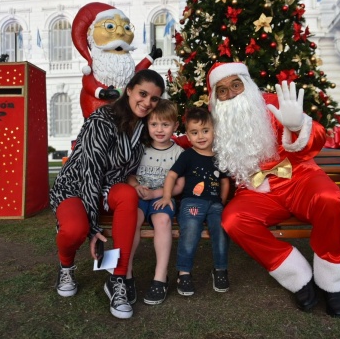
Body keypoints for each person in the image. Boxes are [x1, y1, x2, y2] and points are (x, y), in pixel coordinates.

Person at [207, 62, 340, 318]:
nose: (231, 94)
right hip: (256, 189)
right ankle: (299, 277)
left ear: (247, 84)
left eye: (236, 85)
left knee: (329, 199)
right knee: (233, 221)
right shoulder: (216, 119)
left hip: (299, 177)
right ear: (215, 96)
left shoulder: (272, 103)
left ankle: (333, 283)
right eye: (222, 90)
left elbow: (315, 139)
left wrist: (297, 126)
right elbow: (190, 139)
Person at [49, 69, 165, 319]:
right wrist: (93, 228)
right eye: (143, 94)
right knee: (75, 230)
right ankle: (66, 266)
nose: (147, 103)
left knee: (127, 195)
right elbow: (90, 173)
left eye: (154, 99)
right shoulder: (102, 119)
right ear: (130, 89)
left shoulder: (144, 126)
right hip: (77, 185)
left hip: (108, 187)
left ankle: (117, 279)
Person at [154, 107, 231, 296]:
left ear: (214, 131)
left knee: (221, 229)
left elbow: (224, 181)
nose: (201, 136)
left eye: (205, 131)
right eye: (195, 133)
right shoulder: (188, 155)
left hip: (214, 204)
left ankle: (220, 269)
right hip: (192, 202)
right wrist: (166, 195)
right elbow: (172, 175)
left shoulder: (219, 157)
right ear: (188, 136)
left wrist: (221, 201)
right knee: (190, 230)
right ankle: (184, 273)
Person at [126, 99, 185, 305]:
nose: (159, 130)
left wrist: (158, 193)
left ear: (175, 127)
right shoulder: (140, 149)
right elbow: (130, 174)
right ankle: (126, 273)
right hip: (140, 195)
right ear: (147, 125)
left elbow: (179, 185)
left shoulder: (178, 153)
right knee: (131, 220)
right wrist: (135, 187)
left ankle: (160, 277)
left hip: (162, 196)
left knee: (163, 222)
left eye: (165, 124)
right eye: (154, 124)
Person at [72, 2, 162, 119]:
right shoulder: (95, 67)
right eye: (110, 27)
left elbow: (136, 72)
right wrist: (102, 93)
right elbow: (88, 83)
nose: (120, 32)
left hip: (123, 113)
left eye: (126, 27)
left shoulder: (124, 63)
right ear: (91, 33)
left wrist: (151, 57)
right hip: (97, 111)